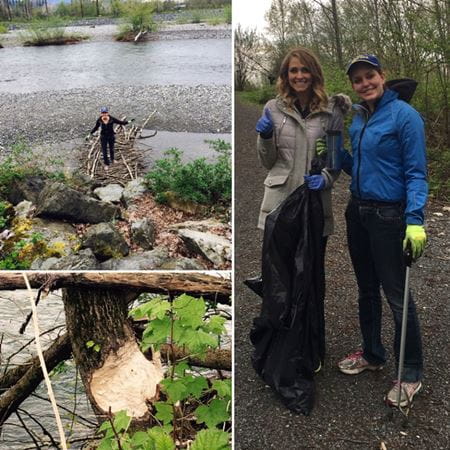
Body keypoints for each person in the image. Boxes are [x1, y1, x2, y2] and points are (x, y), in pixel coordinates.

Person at [337, 54, 427, 407]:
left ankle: (411, 373)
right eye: (357, 79)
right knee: (365, 289)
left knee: (397, 296)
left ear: (382, 77)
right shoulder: (358, 118)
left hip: (390, 216)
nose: (364, 83)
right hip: (356, 210)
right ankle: (373, 355)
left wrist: (415, 220)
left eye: (369, 76)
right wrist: (333, 153)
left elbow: (416, 172)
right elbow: (356, 167)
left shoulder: (405, 116)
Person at [255, 46, 350, 269]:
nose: (299, 76)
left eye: (305, 70)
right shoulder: (272, 108)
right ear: (285, 75)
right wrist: (266, 136)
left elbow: (334, 160)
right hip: (280, 202)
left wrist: (326, 179)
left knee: (310, 271)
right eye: (293, 70)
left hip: (314, 203)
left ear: (314, 73)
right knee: (279, 272)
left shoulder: (331, 113)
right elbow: (267, 162)